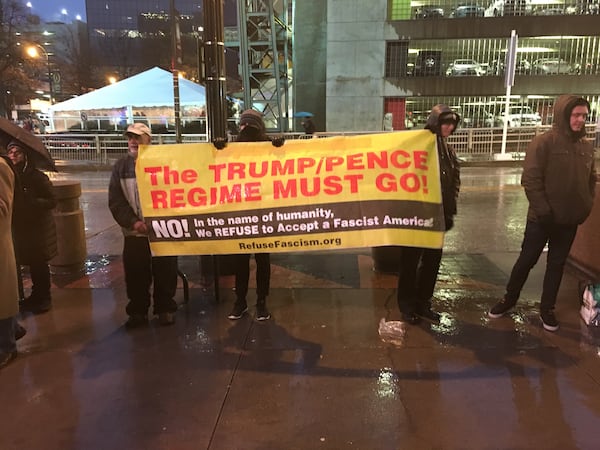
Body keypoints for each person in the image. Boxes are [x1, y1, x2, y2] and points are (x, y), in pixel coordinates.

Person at [488, 95, 597, 331]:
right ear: (564, 115)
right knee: (526, 261)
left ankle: (547, 308)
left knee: (556, 265)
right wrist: (544, 211)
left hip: (569, 220)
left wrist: (585, 206)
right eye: (576, 115)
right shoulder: (544, 142)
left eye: (584, 116)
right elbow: (531, 179)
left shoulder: (586, 146)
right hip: (541, 220)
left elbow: (591, 179)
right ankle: (509, 299)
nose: (580, 120)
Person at [108, 123, 178, 328]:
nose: (133, 141)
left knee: (165, 271)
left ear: (149, 140)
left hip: (162, 232)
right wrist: (133, 222)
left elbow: (177, 194)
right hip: (134, 234)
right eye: (130, 137)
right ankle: (137, 311)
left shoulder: (164, 163)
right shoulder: (120, 167)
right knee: (136, 273)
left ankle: (165, 308)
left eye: (138, 137)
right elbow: (116, 201)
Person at [396, 104, 461, 325]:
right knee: (410, 263)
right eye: (445, 122)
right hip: (416, 217)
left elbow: (454, 181)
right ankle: (406, 305)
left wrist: (450, 210)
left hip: (439, 217)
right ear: (435, 122)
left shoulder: (447, 149)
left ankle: (423, 302)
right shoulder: (418, 145)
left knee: (432, 262)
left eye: (452, 123)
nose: (449, 127)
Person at [227, 109, 283, 321]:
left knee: (261, 261)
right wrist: (217, 148)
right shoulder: (232, 150)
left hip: (261, 215)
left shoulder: (268, 147)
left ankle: (260, 301)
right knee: (241, 261)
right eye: (244, 125)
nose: (246, 129)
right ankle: (241, 301)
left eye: (250, 125)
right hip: (242, 214)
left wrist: (279, 147)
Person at [7, 141, 57, 315]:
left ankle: (44, 298)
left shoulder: (37, 177)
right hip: (19, 227)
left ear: (25, 155)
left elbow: (52, 200)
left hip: (38, 228)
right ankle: (33, 297)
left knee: (38, 264)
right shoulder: (10, 176)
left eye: (17, 152)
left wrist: (33, 201)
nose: (13, 155)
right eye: (11, 152)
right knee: (24, 262)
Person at [0, 154, 20, 368]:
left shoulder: (0, 167)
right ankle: (13, 328)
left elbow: (3, 207)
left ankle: (6, 347)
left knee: (2, 297)